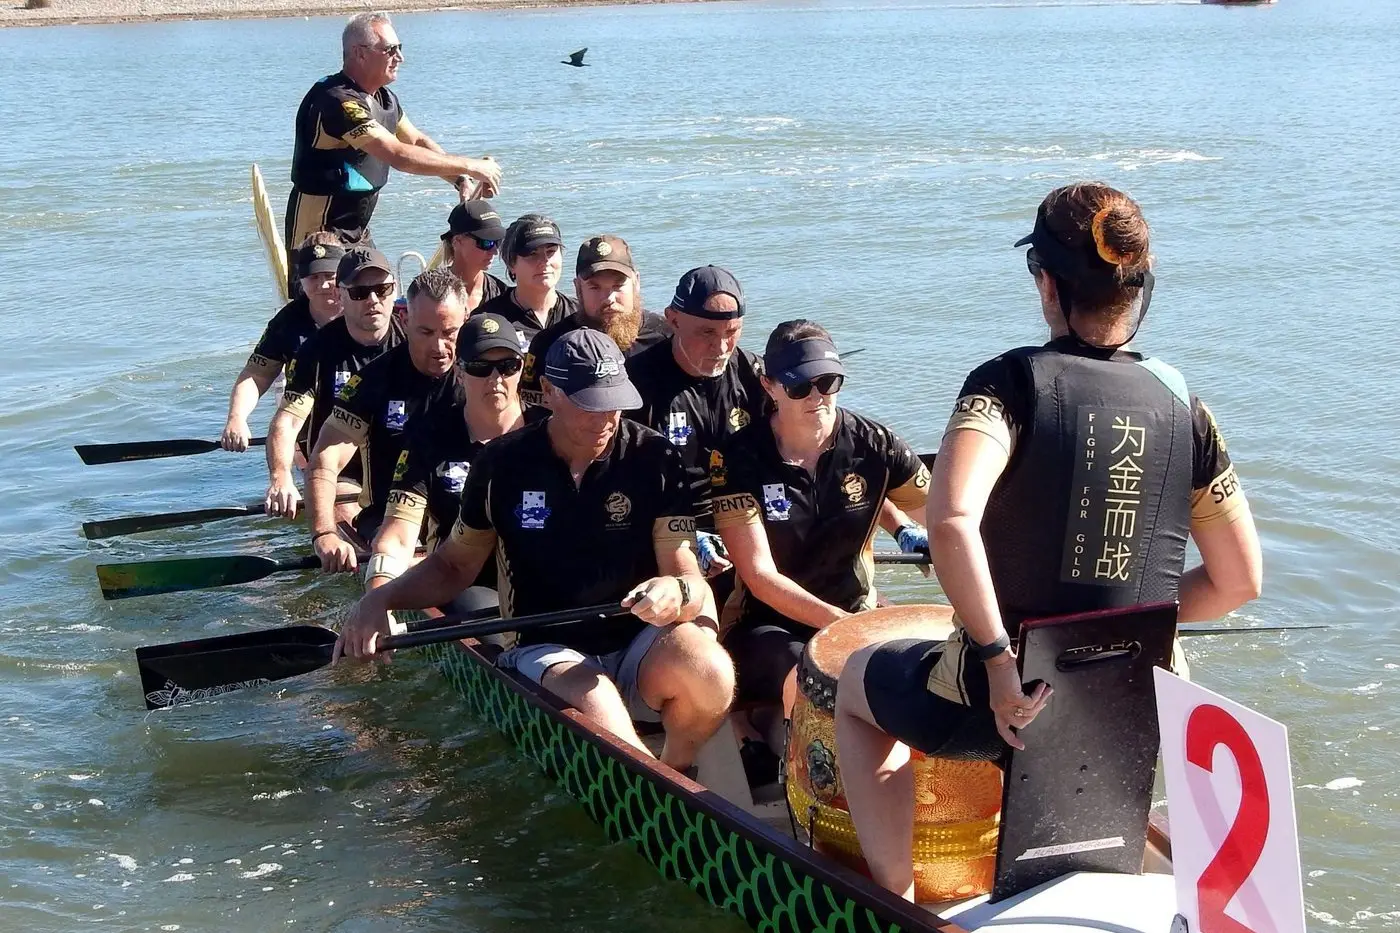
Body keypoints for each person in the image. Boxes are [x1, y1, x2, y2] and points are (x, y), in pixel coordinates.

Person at [833, 182, 1264, 900]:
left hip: (1010, 693)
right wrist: (1123, 623)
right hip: (1138, 693)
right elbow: (1238, 580)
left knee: (854, 685)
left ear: (1047, 283)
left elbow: (949, 521)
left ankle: (900, 903)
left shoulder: (1008, 384)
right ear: (1139, 288)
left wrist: (1002, 661)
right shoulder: (1186, 407)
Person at [337, 329, 735, 772]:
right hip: (542, 642)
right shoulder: (502, 465)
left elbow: (687, 576)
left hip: (636, 639)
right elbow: (452, 566)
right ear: (548, 391)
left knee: (711, 669)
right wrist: (381, 597)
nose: (606, 417)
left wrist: (676, 591)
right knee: (596, 696)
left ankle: (676, 773)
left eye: (614, 401)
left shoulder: (656, 458)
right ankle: (661, 793)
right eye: (590, 403)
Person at [708, 320, 930, 781]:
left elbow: (949, 515)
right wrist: (843, 628)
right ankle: (790, 761)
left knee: (925, 668)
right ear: (769, 386)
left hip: (856, 610)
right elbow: (759, 577)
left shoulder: (876, 444)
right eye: (799, 385)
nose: (817, 397)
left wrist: (921, 534)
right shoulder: (736, 461)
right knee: (811, 674)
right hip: (764, 625)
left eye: (828, 382)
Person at [284, 11, 501, 292]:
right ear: (359, 53)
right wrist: (472, 165)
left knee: (376, 293)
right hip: (318, 233)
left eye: (400, 48)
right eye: (390, 50)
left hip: (357, 228)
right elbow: (397, 155)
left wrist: (459, 178)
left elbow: (415, 140)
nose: (400, 58)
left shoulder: (383, 98)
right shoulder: (337, 101)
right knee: (326, 310)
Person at [305, 267, 469, 571]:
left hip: (461, 525)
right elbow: (325, 458)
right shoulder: (372, 381)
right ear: (405, 321)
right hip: (387, 526)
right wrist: (324, 532)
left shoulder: (483, 376)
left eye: (449, 333)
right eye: (426, 332)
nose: (439, 347)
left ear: (466, 320)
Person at [366, 312, 525, 607]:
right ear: (460, 373)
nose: (496, 379)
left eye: (507, 366)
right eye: (480, 367)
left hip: (539, 580)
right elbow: (398, 537)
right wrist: (377, 599)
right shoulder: (428, 438)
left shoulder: (550, 432)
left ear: (521, 368)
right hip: (466, 584)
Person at [626, 266, 764, 562]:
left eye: (732, 332)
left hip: (746, 519)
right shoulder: (636, 385)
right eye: (707, 332)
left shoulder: (756, 376)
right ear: (672, 320)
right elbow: (622, 485)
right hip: (668, 525)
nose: (721, 346)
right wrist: (690, 537)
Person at [265, 247, 404, 520]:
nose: (373, 299)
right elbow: (288, 421)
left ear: (394, 289)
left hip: (401, 467)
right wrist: (281, 478)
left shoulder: (414, 341)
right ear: (341, 295)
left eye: (382, 289)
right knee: (342, 501)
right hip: (340, 470)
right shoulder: (315, 353)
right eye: (359, 293)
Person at [221, 232, 345, 452]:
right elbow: (256, 375)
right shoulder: (287, 322)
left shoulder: (366, 311)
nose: (323, 285)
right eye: (313, 277)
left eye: (329, 275)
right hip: (307, 427)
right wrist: (237, 418)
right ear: (301, 279)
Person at [518, 235, 670, 409]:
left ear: (636, 282)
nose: (608, 299)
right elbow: (532, 414)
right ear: (577, 288)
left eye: (618, 286)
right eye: (595, 287)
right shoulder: (549, 344)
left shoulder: (666, 338)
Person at [474, 214, 579, 344]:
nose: (544, 261)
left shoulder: (580, 314)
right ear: (511, 263)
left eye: (551, 251)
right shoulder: (489, 320)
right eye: (532, 254)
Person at [440, 199, 509, 313]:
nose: (494, 251)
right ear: (457, 241)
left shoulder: (501, 294)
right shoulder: (430, 293)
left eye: (498, 241)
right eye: (486, 242)